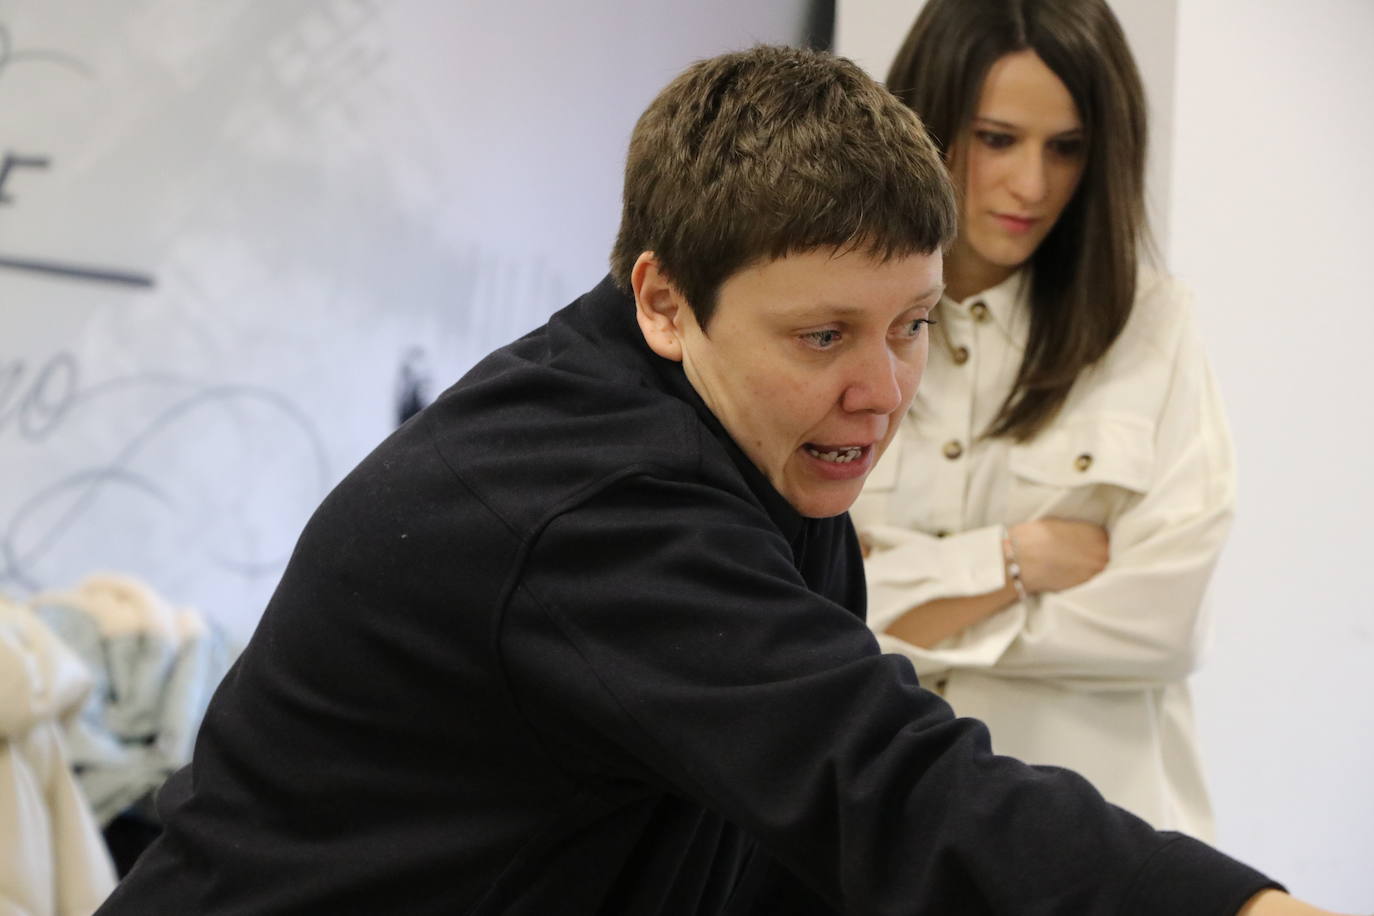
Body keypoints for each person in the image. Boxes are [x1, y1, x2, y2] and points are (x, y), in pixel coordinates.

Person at [96, 45, 1345, 916]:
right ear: (664, 301)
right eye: (824, 337)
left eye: (911, 324)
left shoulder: (764, 456)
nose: (885, 388)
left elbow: (774, 837)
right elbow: (881, 782)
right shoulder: (594, 508)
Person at [852, 0, 1230, 840]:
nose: (1033, 184)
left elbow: (1164, 624)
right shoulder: (834, 332)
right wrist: (1013, 560)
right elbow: (796, 604)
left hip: (1106, 849)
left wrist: (904, 606)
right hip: (874, 848)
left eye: (1067, 148)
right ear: (926, 123)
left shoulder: (1154, 330)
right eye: (996, 138)